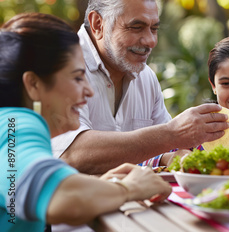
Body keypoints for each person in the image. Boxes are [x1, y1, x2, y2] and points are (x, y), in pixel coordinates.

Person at [0, 13, 171, 232]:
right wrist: (128, 189)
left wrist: (101, 187)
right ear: (33, 84)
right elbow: (60, 197)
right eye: (78, 77)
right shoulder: (14, 125)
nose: (89, 91)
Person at [50, 0, 229, 175]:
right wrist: (173, 133)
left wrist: (169, 156)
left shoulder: (145, 76)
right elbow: (70, 155)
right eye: (136, 27)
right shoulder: (59, 68)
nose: (151, 41)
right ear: (98, 24)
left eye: (154, 28)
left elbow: (159, 145)